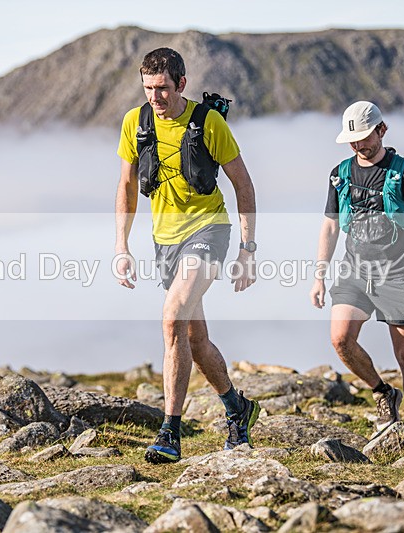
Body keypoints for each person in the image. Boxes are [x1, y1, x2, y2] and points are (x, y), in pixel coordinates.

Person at [115, 47, 260, 463]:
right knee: (194, 341)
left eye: (162, 89)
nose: (155, 98)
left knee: (171, 316)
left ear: (181, 83)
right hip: (165, 241)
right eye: (148, 89)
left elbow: (244, 186)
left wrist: (247, 249)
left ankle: (169, 432)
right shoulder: (134, 122)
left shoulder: (208, 122)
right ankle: (237, 409)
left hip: (209, 230)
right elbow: (126, 187)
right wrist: (121, 246)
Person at [310, 101, 404, 439]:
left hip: (398, 272)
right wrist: (319, 276)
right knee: (341, 339)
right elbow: (329, 227)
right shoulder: (339, 175)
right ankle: (383, 392)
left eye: (365, 138)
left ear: (382, 130)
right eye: (352, 140)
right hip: (354, 270)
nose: (358, 145)